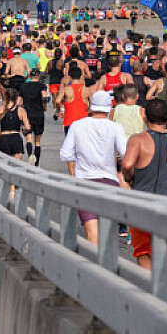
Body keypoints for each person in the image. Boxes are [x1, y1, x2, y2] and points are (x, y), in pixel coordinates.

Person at [121, 99, 167, 270]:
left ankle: (147, 285)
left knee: (144, 254)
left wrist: (130, 178)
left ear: (145, 118)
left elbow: (127, 164)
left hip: (142, 205)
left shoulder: (137, 140)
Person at [59, 91, 129, 246]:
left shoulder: (77, 125)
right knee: (107, 235)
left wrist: (82, 154)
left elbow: (65, 154)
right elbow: (126, 153)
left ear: (91, 106)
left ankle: (92, 260)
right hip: (109, 182)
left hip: (85, 182)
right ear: (109, 108)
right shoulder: (116, 127)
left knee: (92, 235)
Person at [0, 87, 32, 163]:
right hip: (16, 139)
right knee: (16, 165)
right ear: (16, 97)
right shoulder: (21, 110)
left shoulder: (1, 109)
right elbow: (28, 128)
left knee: (4, 165)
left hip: (4, 139)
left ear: (6, 97)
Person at [19, 68, 48, 165]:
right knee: (37, 141)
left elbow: (19, 102)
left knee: (28, 137)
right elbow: (44, 98)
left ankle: (30, 156)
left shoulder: (23, 86)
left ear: (30, 76)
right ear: (39, 76)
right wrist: (44, 107)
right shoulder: (42, 86)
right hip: (38, 113)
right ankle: (36, 163)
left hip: (27, 114)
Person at [58, 66, 91, 137]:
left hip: (69, 121)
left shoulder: (66, 89)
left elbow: (57, 101)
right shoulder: (86, 90)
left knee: (69, 142)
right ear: (80, 76)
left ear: (70, 76)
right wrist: (88, 111)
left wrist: (58, 109)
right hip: (83, 121)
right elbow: (92, 106)